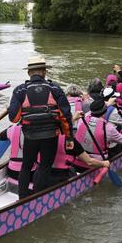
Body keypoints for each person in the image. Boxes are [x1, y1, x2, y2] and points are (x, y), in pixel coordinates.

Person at [8, 56, 73, 199]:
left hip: (30, 136)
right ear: (44, 72)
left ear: (29, 73)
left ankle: (23, 197)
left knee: (26, 166)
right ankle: (38, 196)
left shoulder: (19, 91)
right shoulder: (55, 88)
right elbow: (66, 116)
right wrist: (69, 137)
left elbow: (14, 118)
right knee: (44, 166)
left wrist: (11, 107)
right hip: (51, 136)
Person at [72, 98, 122, 172]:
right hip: (97, 164)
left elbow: (92, 111)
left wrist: (108, 103)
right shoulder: (109, 128)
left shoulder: (82, 119)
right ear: (105, 111)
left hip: (77, 159)